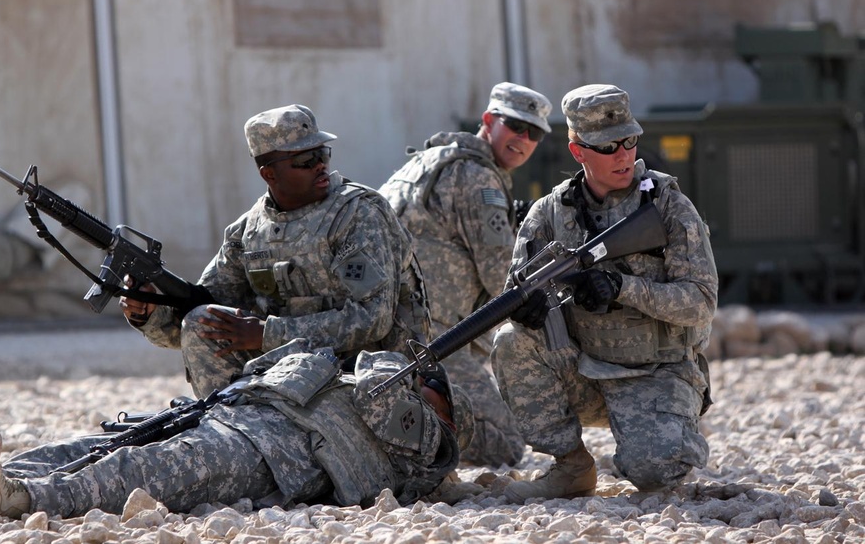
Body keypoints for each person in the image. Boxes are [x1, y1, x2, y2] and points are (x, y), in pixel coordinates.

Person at [0, 339, 473, 520]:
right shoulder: (348, 371)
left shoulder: (424, 443)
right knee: (99, 443)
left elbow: (428, 448)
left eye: (428, 384)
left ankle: (16, 498)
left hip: (279, 453)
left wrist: (411, 386)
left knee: (143, 470)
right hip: (237, 412)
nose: (411, 379)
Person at [491, 83, 718, 501]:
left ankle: (668, 426)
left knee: (654, 472)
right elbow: (514, 290)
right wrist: (526, 310)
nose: (624, 155)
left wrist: (622, 288)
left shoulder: (667, 207)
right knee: (510, 341)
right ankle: (572, 467)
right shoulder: (549, 213)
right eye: (608, 146)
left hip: (656, 372)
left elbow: (701, 302)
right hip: (585, 370)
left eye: (629, 141)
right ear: (578, 152)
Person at [121, 104, 430, 399]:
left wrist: (269, 334)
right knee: (201, 320)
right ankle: (233, 425)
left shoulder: (358, 214)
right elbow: (208, 322)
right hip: (290, 372)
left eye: (322, 153)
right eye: (305, 160)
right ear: (269, 174)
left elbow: (373, 319)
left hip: (368, 376)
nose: (320, 164)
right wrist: (150, 311)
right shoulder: (247, 233)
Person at [378, 82, 552, 467]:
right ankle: (407, 419)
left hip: (385, 325)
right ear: (488, 121)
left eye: (534, 133)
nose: (523, 139)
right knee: (507, 443)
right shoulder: (478, 179)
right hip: (429, 339)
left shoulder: (431, 159)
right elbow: (503, 279)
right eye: (515, 126)